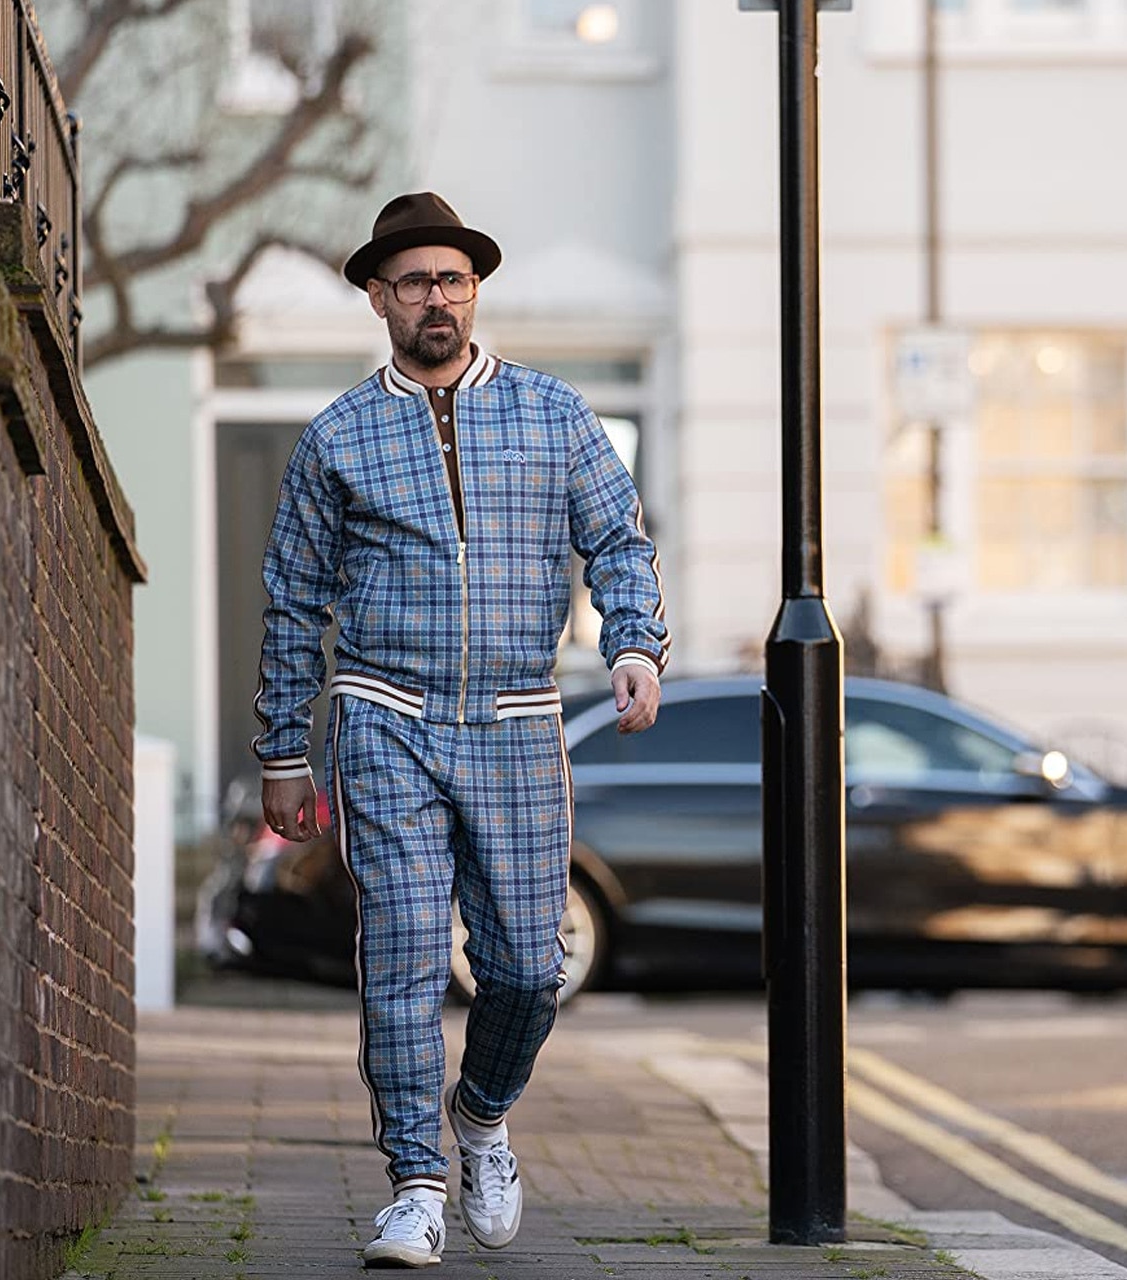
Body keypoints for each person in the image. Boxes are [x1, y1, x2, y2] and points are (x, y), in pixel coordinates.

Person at [251, 191, 669, 1268]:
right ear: (380, 299)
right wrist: (285, 752)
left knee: (530, 966)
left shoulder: (554, 413)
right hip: (386, 714)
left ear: (474, 289)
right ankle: (414, 1183)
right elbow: (294, 599)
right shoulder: (337, 436)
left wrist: (632, 644)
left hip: (519, 720)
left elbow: (618, 540)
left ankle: (480, 1113)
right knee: (398, 952)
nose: (435, 298)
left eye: (452, 279)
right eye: (413, 283)